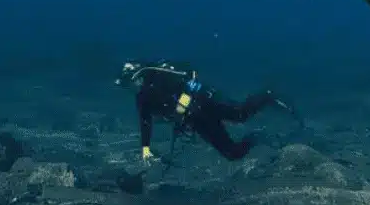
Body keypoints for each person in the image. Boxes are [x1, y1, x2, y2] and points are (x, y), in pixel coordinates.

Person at [117, 61, 288, 162]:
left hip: (206, 101)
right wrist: (145, 148)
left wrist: (180, 109)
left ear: (136, 77)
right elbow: (145, 120)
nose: (130, 89)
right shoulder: (142, 99)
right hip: (196, 119)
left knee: (240, 114)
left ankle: (267, 95)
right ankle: (257, 138)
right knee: (231, 153)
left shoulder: (161, 75)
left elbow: (190, 77)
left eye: (128, 84)